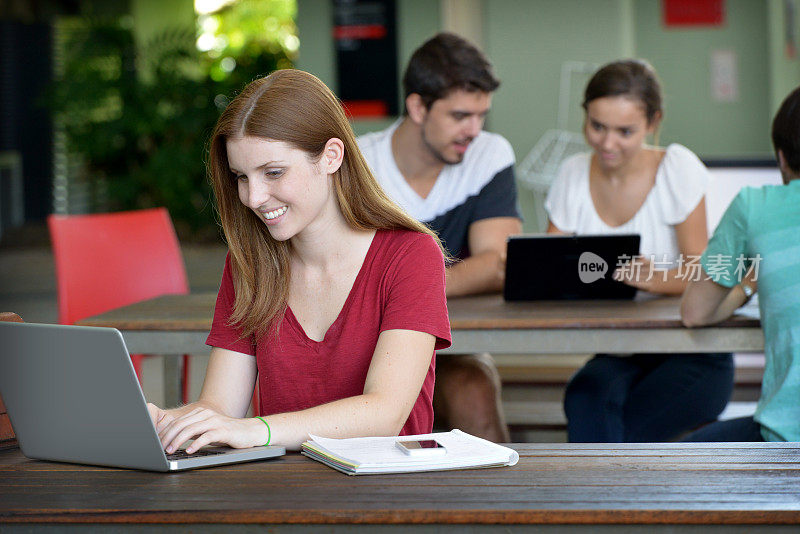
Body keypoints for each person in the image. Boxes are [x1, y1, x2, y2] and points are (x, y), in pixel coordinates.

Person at [146, 69, 451, 453]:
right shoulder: (250, 263)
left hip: (386, 497)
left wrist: (257, 430)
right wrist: (168, 421)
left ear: (331, 157)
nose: (254, 197)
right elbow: (221, 408)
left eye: (273, 173)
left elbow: (385, 413)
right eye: (241, 177)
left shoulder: (410, 255)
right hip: (284, 495)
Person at [545, 59, 734, 443]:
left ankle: (600, 500)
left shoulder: (677, 167)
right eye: (597, 126)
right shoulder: (573, 172)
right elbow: (552, 265)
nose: (607, 143)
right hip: (620, 349)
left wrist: (656, 278)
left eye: (624, 131)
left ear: (653, 123)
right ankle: (604, 499)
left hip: (693, 353)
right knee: (584, 397)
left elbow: (705, 272)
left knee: (617, 434)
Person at [358, 32, 522, 443]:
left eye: (481, 115)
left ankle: (496, 509)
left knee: (473, 388)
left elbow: (499, 263)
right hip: (365, 345)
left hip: (450, 341)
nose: (474, 130)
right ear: (417, 106)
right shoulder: (357, 165)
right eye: (460, 116)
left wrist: (405, 293)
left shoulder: (489, 154)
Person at [680, 86, 800, 443]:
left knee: (677, 459)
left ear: (781, 157)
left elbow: (695, 313)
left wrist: (749, 284)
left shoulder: (754, 205)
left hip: (787, 439)